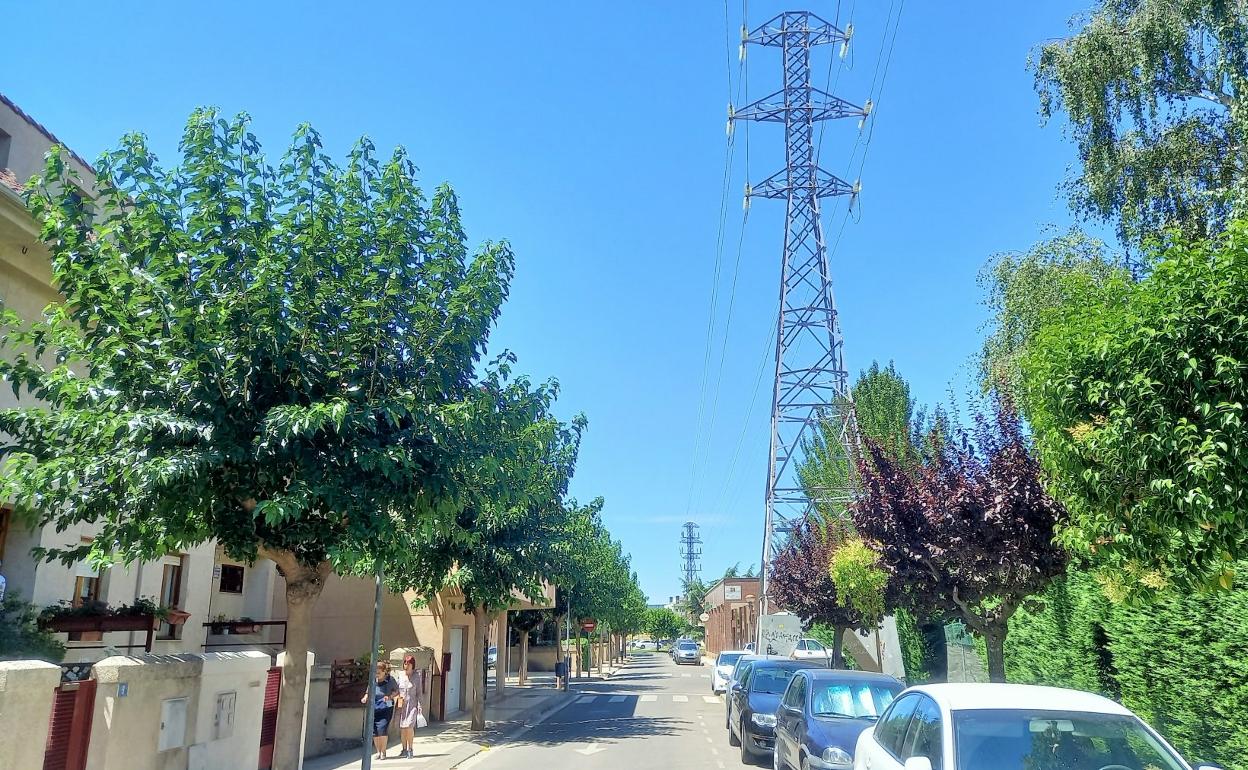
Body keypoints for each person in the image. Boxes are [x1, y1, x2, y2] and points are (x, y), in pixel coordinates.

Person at [360, 660, 399, 761]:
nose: (377, 674)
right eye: (376, 672)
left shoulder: (390, 680)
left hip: (386, 708)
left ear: (384, 671)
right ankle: (378, 751)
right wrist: (365, 698)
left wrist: (390, 697)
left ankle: (383, 752)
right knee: (375, 731)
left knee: (382, 729)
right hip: (374, 708)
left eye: (379, 672)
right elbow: (368, 692)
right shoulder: (373, 681)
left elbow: (396, 691)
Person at [394, 654, 426, 759]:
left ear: (413, 665)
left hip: (412, 704)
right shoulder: (400, 675)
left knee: (409, 727)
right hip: (401, 704)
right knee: (403, 728)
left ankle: (410, 749)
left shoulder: (417, 676)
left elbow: (419, 693)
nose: (406, 665)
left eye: (408, 663)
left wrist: (420, 705)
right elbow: (396, 689)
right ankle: (403, 749)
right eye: (405, 663)